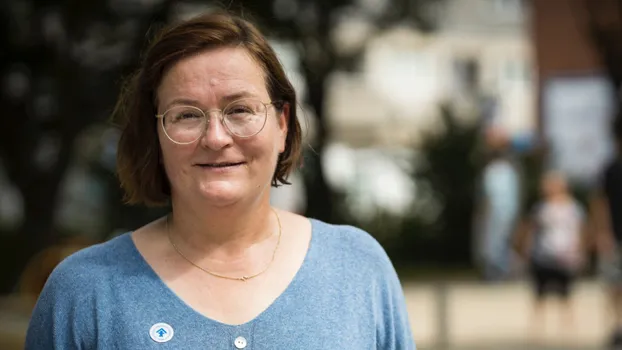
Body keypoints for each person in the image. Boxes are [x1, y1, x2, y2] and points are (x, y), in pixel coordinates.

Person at [24, 11, 415, 349]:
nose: (215, 137)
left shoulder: (358, 267)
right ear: (155, 136)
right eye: (187, 115)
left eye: (240, 109)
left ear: (282, 123)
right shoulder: (84, 292)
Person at [519, 171, 586, 338]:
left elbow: (581, 230)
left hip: (566, 255)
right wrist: (527, 248)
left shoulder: (574, 208)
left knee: (566, 292)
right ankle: (537, 328)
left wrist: (581, 250)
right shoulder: (540, 207)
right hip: (544, 254)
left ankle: (568, 327)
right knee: (539, 292)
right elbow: (532, 229)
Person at [474, 126, 521, 281]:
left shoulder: (506, 169)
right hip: (495, 212)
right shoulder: (493, 169)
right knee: (490, 243)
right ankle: (496, 271)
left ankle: (503, 271)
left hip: (503, 212)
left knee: (498, 243)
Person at [591, 112, 622, 349]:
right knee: (614, 284)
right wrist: (602, 233)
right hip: (615, 235)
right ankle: (618, 326)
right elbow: (599, 203)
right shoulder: (610, 169)